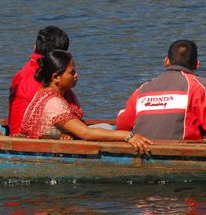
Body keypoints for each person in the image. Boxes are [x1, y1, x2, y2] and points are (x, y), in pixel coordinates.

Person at [20, 50, 153, 154]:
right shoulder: (53, 102)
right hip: (45, 150)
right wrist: (128, 136)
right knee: (106, 129)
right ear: (55, 77)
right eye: (71, 72)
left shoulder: (50, 92)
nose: (76, 75)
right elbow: (86, 133)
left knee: (105, 127)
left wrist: (67, 134)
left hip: (53, 144)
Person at [8, 26, 71, 136]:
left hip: (17, 132)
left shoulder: (22, 73)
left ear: (35, 47)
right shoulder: (46, 76)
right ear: (58, 58)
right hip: (30, 137)